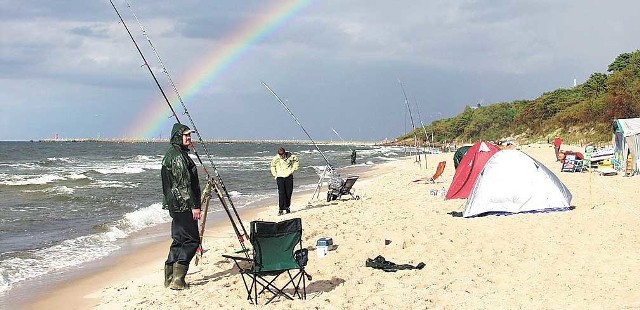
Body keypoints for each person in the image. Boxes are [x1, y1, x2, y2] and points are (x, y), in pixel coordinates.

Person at [161, 123, 202, 290]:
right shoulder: (177, 156)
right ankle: (178, 280)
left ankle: (169, 277)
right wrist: (194, 206)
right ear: (177, 137)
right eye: (186, 135)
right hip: (183, 206)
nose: (189, 138)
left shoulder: (174, 154)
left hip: (175, 205)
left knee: (179, 240)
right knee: (192, 240)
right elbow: (183, 184)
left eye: (189, 135)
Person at [270, 147, 299, 215]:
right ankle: (281, 209)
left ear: (284, 153)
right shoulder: (275, 158)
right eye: (280, 155)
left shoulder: (290, 156)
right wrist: (275, 175)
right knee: (281, 193)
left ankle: (287, 207)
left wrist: (293, 170)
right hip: (280, 177)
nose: (281, 156)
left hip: (289, 176)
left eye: (282, 155)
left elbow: (296, 161)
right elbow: (272, 166)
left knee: (288, 192)